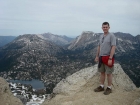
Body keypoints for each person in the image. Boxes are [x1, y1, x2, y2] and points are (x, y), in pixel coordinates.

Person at [94, 22, 116, 95]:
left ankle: (109, 88)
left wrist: (110, 58)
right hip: (101, 57)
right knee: (102, 72)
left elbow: (113, 46)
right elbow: (99, 46)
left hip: (108, 57)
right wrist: (97, 56)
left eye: (106, 27)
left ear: (109, 27)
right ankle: (101, 86)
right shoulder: (101, 36)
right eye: (104, 27)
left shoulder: (111, 36)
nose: (105, 28)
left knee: (109, 73)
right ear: (102, 28)